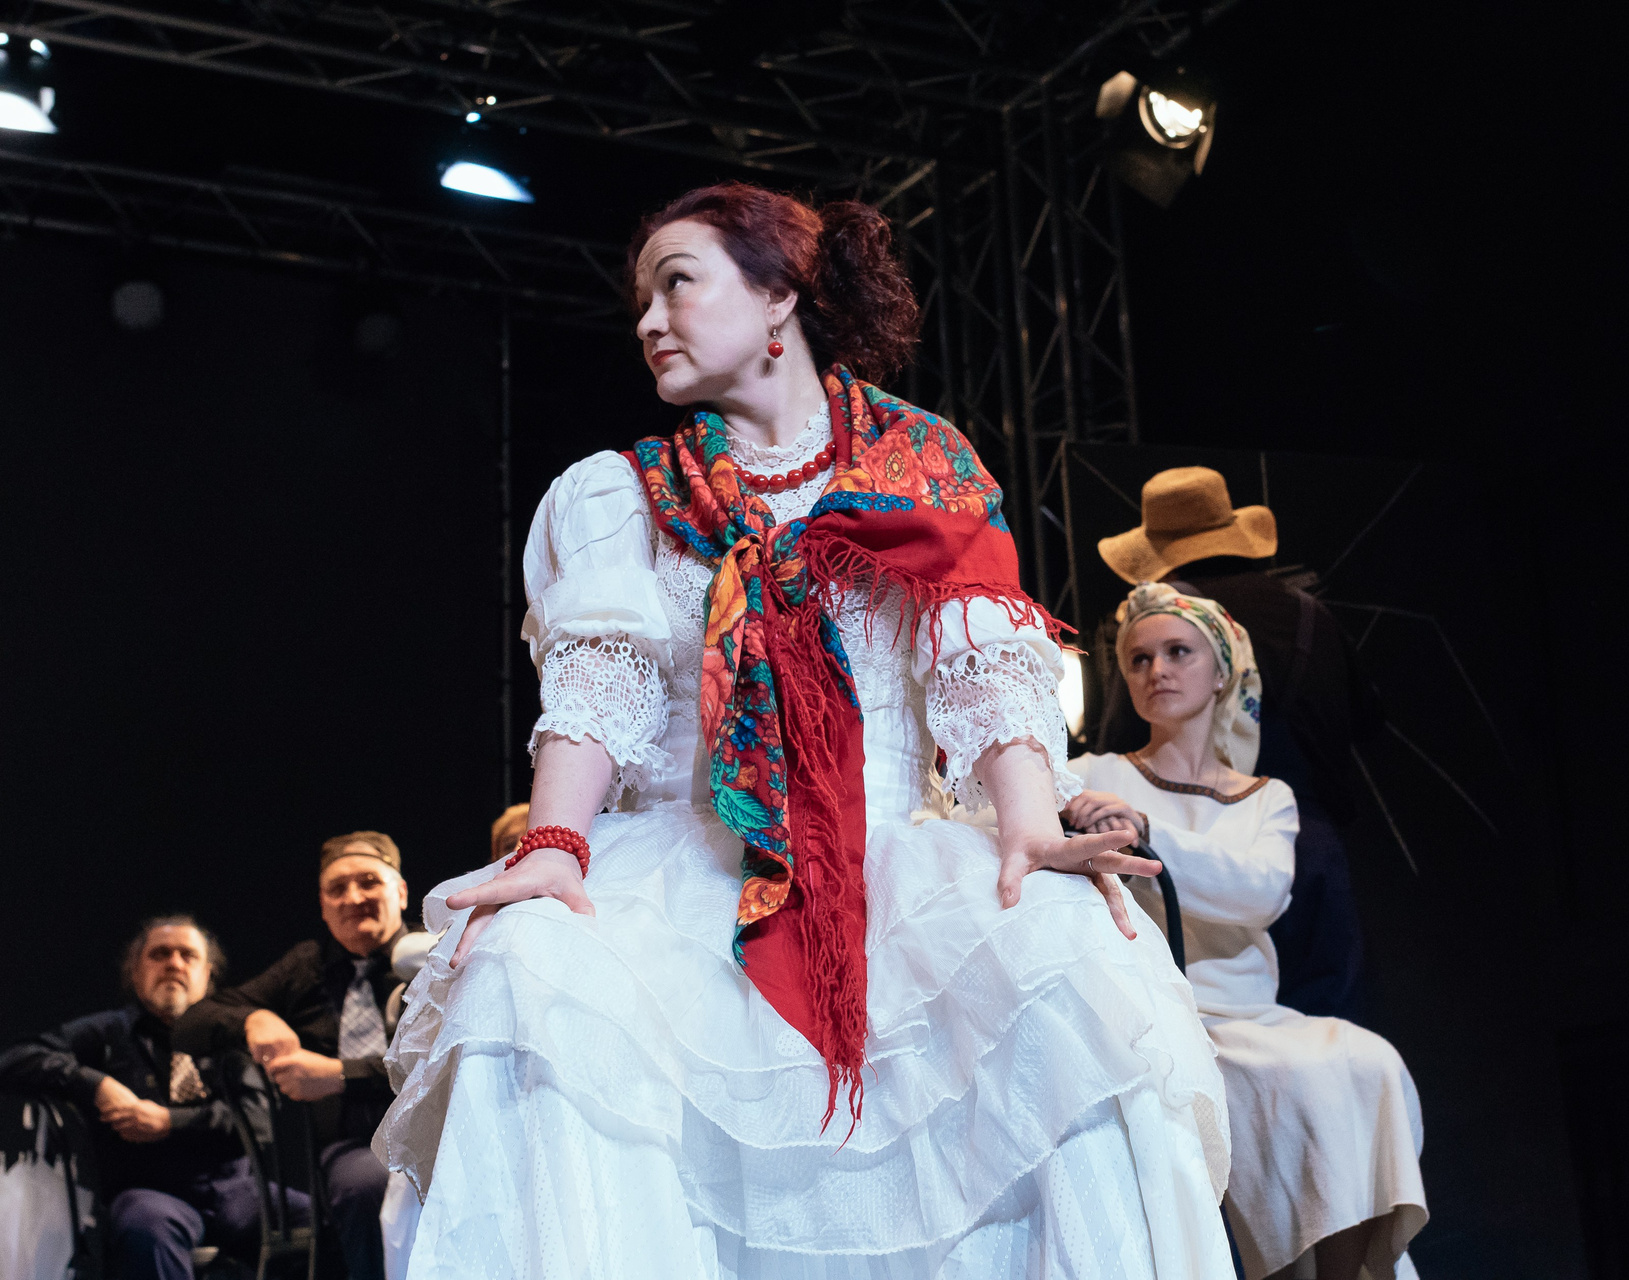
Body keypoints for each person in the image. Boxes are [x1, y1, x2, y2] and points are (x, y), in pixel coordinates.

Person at [374, 182, 1234, 1279]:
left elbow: (981, 662)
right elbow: (601, 686)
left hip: (891, 854)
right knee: (533, 966)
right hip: (689, 860)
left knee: (1063, 960)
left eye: (676, 284)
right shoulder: (623, 496)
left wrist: (1028, 825)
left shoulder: (923, 468)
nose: (648, 321)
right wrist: (553, 844)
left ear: (778, 293)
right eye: (641, 301)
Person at [1068, 583, 1427, 1280]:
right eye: (1139, 659)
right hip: (1164, 1017)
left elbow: (1259, 892)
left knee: (1368, 1062)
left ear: (1222, 671)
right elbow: (996, 815)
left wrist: (1147, 829)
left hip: (1254, 1014)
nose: (1157, 670)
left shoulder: (1268, 798)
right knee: (1295, 1081)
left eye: (1178, 652)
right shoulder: (1095, 776)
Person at [1097, 466, 1384, 1021]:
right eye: (1147, 663)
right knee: (1324, 1035)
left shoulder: (1156, 625)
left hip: (1207, 834)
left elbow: (1121, 735)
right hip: (1316, 846)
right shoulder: (1311, 614)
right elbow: (1368, 719)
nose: (1160, 668)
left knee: (1213, 1030)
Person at [0, 915, 305, 1280]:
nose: (174, 964)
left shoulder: (229, 1036)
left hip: (237, 1193)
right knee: (146, 1230)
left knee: (322, 1222)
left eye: (187, 955)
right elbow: (17, 1057)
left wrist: (168, 1122)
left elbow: (258, 1120)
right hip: (150, 1193)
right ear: (135, 972)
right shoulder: (109, 1031)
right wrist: (95, 1084)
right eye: (159, 954)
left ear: (207, 974)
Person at [176, 831, 416, 1280]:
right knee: (368, 1185)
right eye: (337, 889)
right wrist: (253, 1019)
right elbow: (192, 1022)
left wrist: (341, 1074)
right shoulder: (308, 965)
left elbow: (441, 1057)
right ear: (323, 906)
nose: (353, 898)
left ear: (400, 892)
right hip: (354, 1149)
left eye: (369, 882)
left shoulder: (433, 954)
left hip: (438, 1131)